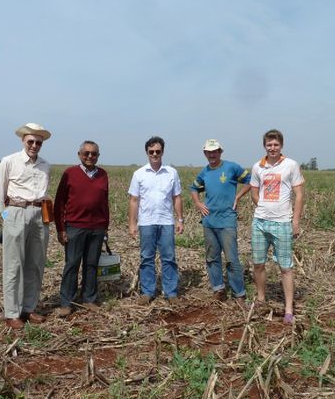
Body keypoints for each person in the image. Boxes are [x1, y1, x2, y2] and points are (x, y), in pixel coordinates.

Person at [0, 121, 52, 330]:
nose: (34, 145)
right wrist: (8, 216)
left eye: (38, 142)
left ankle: (29, 308)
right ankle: (11, 312)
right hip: (16, 212)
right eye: (31, 141)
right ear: (23, 140)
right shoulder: (9, 161)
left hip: (39, 214)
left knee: (36, 264)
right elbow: (0, 194)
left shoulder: (45, 165)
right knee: (14, 265)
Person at [249, 128, 305, 324]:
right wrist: (263, 206)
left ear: (281, 146)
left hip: (282, 223)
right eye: (269, 145)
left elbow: (299, 195)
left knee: (285, 267)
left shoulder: (291, 165)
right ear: (264, 146)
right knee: (258, 263)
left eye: (276, 145)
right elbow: (254, 192)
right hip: (260, 222)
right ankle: (261, 299)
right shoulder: (258, 167)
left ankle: (289, 308)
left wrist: (295, 221)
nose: (272, 148)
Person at [189, 139, 251, 302]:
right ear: (205, 154)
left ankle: (239, 293)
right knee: (212, 258)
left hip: (227, 221)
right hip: (209, 222)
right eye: (209, 152)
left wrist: (238, 196)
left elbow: (250, 180)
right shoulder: (204, 172)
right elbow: (194, 188)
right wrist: (198, 203)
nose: (212, 155)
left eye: (215, 151)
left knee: (232, 259)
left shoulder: (231, 167)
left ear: (220, 152)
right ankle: (218, 289)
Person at [53, 141, 110, 317]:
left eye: (94, 154)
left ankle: (89, 299)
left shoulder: (102, 175)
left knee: (92, 264)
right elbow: (59, 203)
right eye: (86, 153)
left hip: (97, 228)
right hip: (75, 226)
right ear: (79, 154)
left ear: (98, 156)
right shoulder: (70, 173)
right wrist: (61, 229)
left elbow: (104, 202)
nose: (90, 156)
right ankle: (66, 303)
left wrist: (105, 227)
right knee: (72, 264)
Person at [128, 137, 183, 302]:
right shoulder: (139, 174)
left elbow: (177, 197)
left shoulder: (171, 172)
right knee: (147, 257)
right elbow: (134, 200)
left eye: (158, 151)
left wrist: (180, 219)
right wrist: (132, 223)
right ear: (147, 153)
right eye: (151, 152)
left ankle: (171, 293)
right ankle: (147, 292)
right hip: (146, 222)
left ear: (162, 152)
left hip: (166, 221)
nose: (154, 154)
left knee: (169, 257)